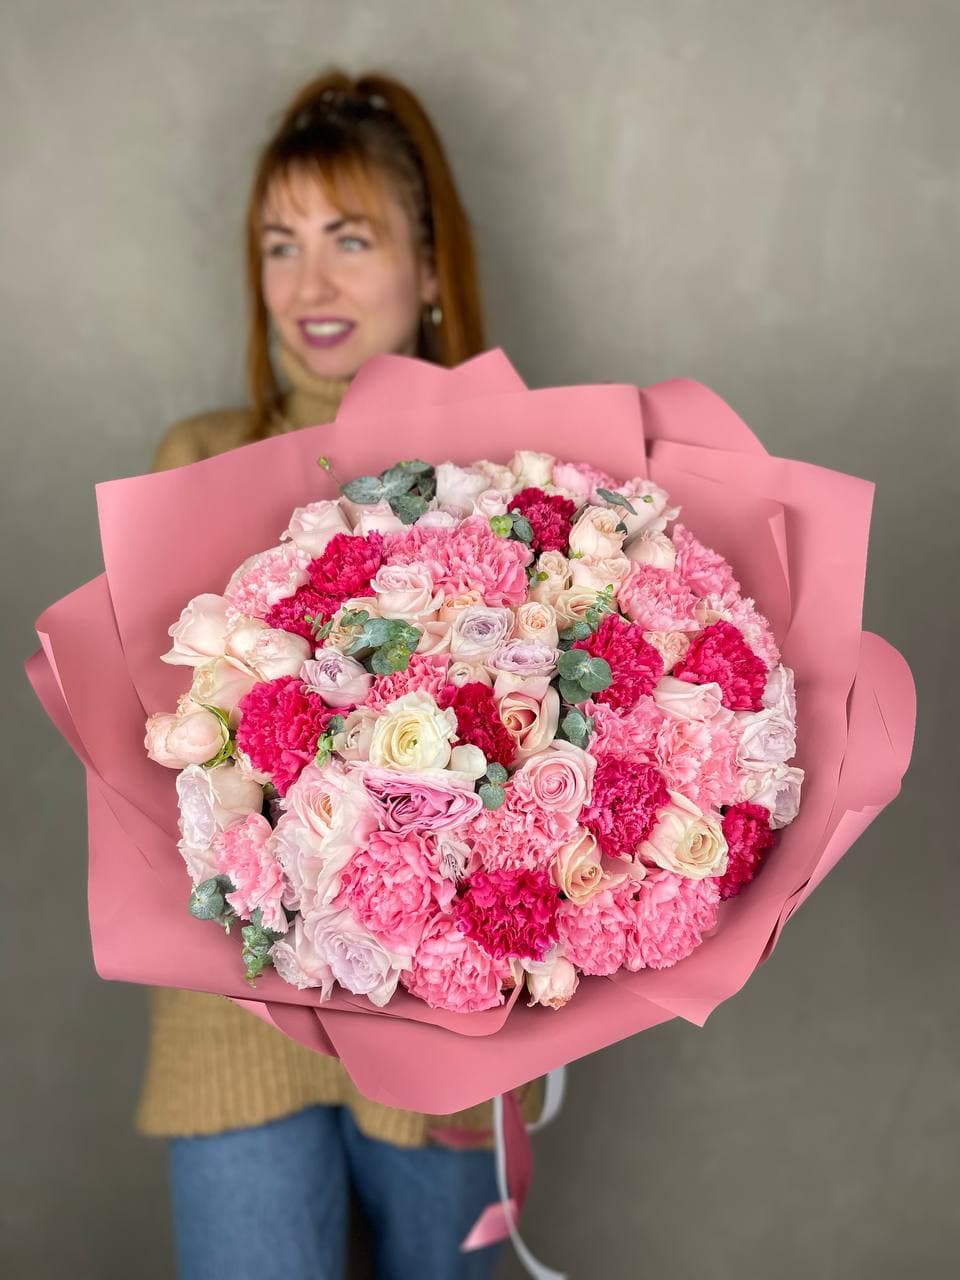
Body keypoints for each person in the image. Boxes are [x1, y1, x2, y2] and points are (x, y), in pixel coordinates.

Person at [140, 68, 544, 1280]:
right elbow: (148, 754)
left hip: (442, 1017)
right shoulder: (194, 459)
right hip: (231, 1011)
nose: (308, 284)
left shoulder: (518, 478)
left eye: (348, 239)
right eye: (281, 244)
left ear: (429, 268)